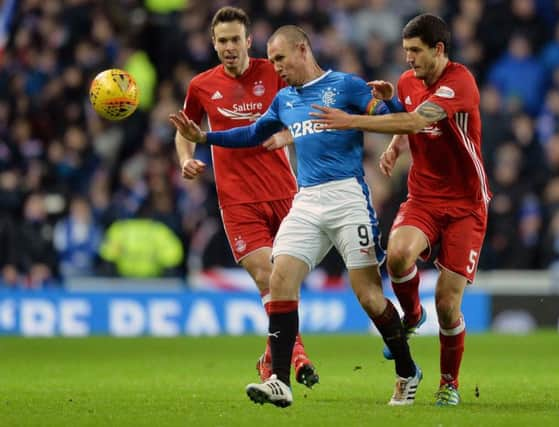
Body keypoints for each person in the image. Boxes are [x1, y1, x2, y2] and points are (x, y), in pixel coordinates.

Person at [170, 25, 421, 408]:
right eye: (271, 62)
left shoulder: (347, 86)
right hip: (306, 200)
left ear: (303, 50)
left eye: (280, 59)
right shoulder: (285, 99)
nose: (276, 68)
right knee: (281, 277)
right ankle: (279, 380)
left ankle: (406, 370)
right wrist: (204, 140)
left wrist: (391, 104)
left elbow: (398, 121)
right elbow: (253, 133)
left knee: (369, 296)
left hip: (348, 197)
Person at [310, 13, 490, 406]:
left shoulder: (460, 83)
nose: (407, 58)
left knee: (447, 303)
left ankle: (449, 384)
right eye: (405, 50)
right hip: (424, 197)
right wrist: (395, 141)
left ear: (438, 50)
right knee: (396, 257)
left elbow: (415, 119)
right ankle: (411, 317)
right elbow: (409, 118)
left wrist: (351, 122)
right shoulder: (408, 82)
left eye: (415, 51)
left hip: (466, 206)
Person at [170, 7, 317, 387]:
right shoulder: (202, 86)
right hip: (237, 200)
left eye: (236, 39)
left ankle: (270, 358)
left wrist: (289, 135)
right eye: (222, 41)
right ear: (213, 43)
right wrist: (186, 158)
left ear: (249, 41)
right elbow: (186, 130)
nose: (229, 47)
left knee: (287, 282)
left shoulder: (274, 73)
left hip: (285, 193)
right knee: (267, 276)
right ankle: (295, 355)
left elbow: (309, 113)